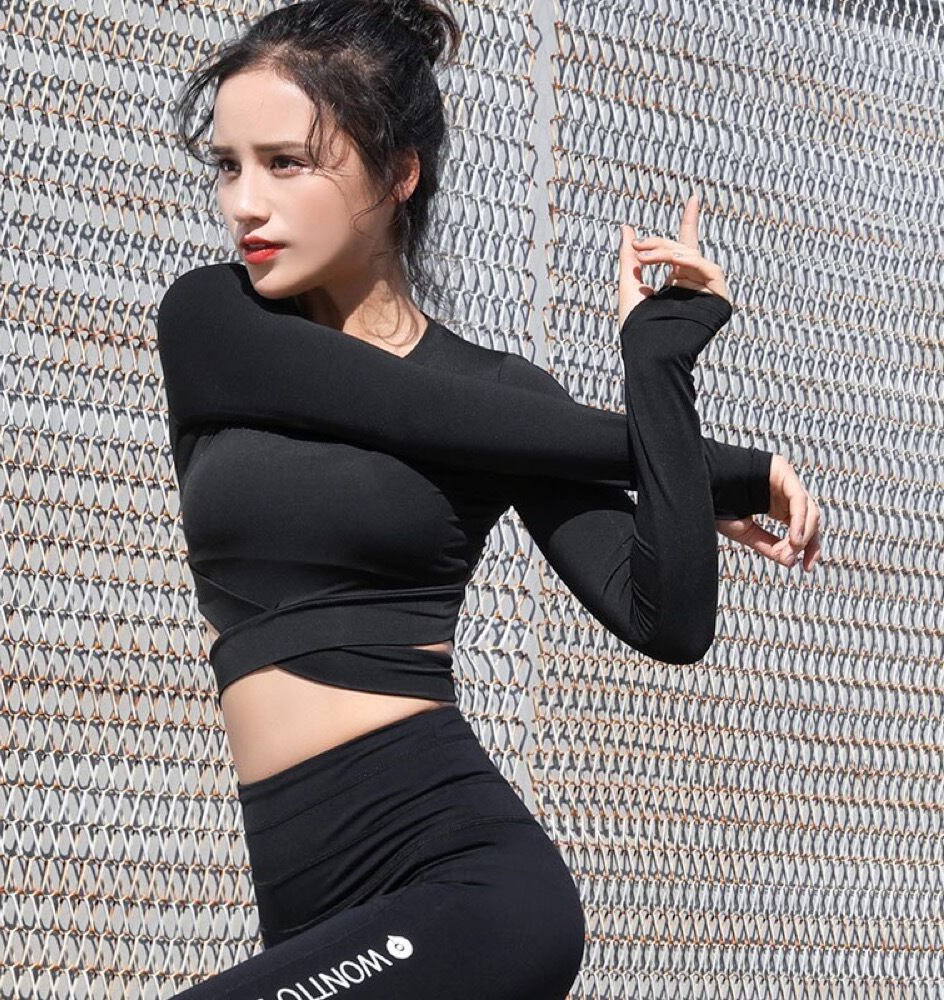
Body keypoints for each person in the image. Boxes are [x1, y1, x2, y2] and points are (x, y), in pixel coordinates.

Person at [157, 2, 822, 996]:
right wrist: (709, 466)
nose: (246, 203)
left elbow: (669, 619)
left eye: (287, 163)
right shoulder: (212, 323)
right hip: (312, 906)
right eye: (229, 165)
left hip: (466, 886)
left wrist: (657, 371)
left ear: (398, 172)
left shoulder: (503, 398)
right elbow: (406, 408)